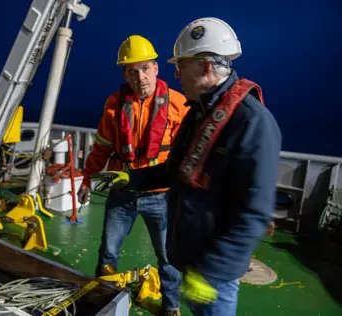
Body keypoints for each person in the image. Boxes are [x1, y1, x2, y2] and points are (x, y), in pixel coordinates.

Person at [92, 18, 282, 315]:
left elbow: (254, 212)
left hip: (210, 273)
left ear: (205, 67)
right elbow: (174, 169)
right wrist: (129, 178)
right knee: (109, 251)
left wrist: (211, 272)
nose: (176, 73)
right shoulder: (201, 113)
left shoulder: (251, 122)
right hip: (191, 256)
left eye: (181, 65)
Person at [78, 35, 189, 315]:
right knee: (108, 252)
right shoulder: (114, 105)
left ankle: (171, 306)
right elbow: (102, 146)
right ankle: (103, 297)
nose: (140, 77)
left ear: (156, 68)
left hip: (160, 196)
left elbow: (186, 155)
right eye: (132, 71)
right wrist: (87, 179)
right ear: (124, 74)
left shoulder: (178, 103)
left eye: (144, 68)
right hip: (122, 193)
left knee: (168, 256)